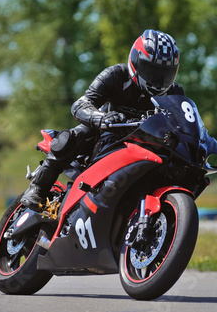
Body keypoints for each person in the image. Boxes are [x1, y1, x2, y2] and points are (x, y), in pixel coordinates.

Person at [21, 29, 185, 211]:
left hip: (147, 145)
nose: (158, 79)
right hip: (107, 134)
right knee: (72, 137)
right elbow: (82, 103)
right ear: (136, 61)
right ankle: (38, 188)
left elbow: (183, 124)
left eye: (165, 72)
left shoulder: (175, 92)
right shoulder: (116, 75)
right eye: (152, 70)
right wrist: (102, 118)